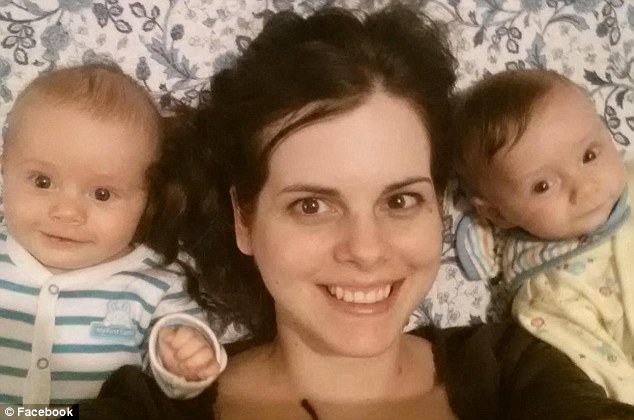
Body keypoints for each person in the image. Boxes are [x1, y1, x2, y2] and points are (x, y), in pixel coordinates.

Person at [80, 7, 634, 420]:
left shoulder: (514, 368)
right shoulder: (152, 407)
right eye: (311, 205)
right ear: (244, 220)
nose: (366, 250)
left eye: (400, 201)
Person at [0, 65, 227, 406]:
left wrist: (181, 363)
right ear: (4, 168)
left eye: (102, 194)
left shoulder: (155, 284)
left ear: (147, 197)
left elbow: (176, 387)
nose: (67, 212)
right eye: (42, 182)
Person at [452, 68, 634, 403]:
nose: (584, 187)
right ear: (498, 214)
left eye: (589, 156)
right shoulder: (550, 293)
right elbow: (605, 376)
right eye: (543, 186)